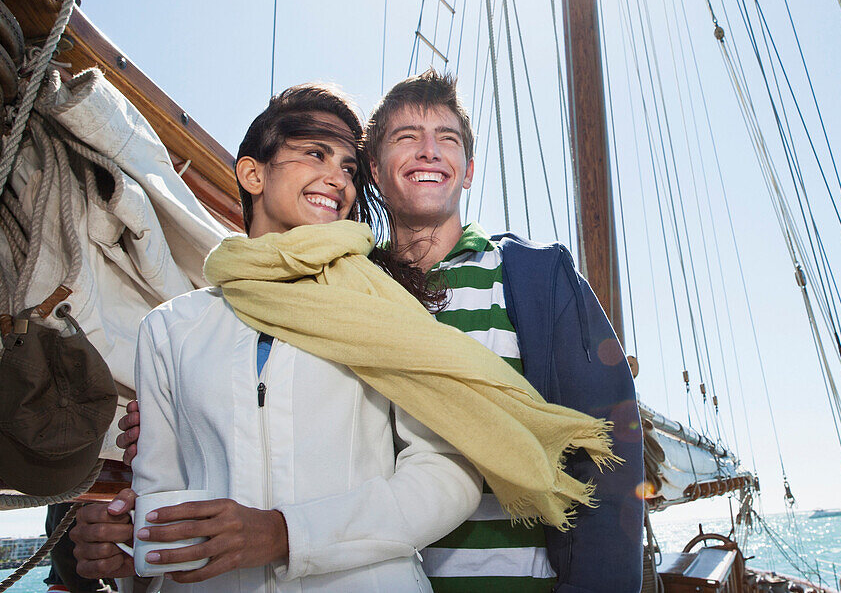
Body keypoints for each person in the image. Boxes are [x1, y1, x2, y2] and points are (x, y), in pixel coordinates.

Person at [73, 82, 620, 591]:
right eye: (315, 153)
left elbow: (465, 466)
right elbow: (160, 497)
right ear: (252, 174)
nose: (337, 177)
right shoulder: (171, 329)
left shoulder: (383, 302)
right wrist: (130, 549)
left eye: (348, 165)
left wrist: (286, 533)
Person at [364, 69, 644, 592]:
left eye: (446, 139)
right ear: (376, 172)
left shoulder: (536, 280)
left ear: (467, 172)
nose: (428, 151)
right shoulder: (355, 292)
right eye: (407, 138)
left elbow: (607, 445)